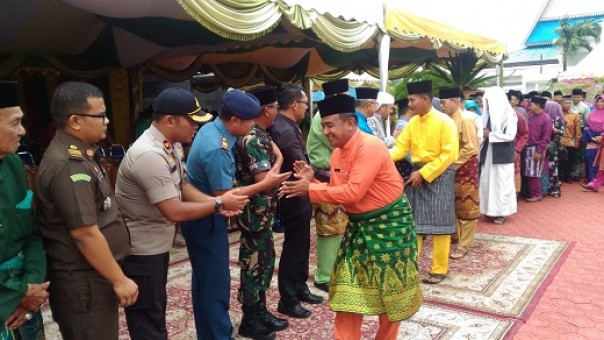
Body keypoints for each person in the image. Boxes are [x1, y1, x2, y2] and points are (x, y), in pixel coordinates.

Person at [280, 94, 422, 340]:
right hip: (358, 227)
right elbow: (338, 192)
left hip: (390, 226)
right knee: (346, 291)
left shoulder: (371, 147)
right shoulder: (337, 154)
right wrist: (311, 180)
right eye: (323, 125)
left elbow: (353, 192)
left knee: (392, 292)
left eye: (329, 125)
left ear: (350, 123)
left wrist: (309, 188)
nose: (324, 131)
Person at [114, 87, 249, 340]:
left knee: (156, 310)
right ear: (169, 120)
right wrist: (219, 204)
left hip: (156, 245)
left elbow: (183, 186)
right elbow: (174, 211)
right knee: (148, 320)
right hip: (142, 250)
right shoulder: (149, 154)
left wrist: (217, 201)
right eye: (192, 121)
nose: (196, 127)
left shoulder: (169, 145)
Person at [182, 89, 290, 339]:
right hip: (206, 217)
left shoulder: (213, 129)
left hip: (202, 211)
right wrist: (265, 183)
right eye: (250, 121)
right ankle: (219, 334)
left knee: (205, 281)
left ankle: (209, 334)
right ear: (234, 121)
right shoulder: (217, 149)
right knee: (215, 284)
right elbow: (225, 200)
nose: (253, 125)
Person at [36, 82, 139, 340]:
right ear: (75, 121)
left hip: (92, 275)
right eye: (100, 115)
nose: (106, 121)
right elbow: (85, 233)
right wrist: (119, 280)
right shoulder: (69, 165)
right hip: (83, 282)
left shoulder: (81, 154)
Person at [234, 85, 290, 339]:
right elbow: (265, 178)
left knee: (265, 262)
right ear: (267, 109)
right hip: (254, 215)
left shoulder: (262, 134)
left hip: (263, 214)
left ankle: (260, 311)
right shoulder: (254, 138)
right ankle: (250, 318)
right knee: (254, 264)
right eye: (277, 108)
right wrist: (279, 161)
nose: (278, 112)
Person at [390, 80, 459, 284]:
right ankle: (411, 266)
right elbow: (400, 149)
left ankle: (439, 270)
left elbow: (449, 154)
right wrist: (378, 157)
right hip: (417, 173)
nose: (409, 104)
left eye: (412, 100)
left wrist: (425, 172)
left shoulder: (445, 122)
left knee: (441, 224)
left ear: (426, 99)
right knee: (415, 222)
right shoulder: (412, 123)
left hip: (441, 173)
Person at [269, 83, 324, 319]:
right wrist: (330, 176)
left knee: (301, 244)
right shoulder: (285, 130)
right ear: (294, 105)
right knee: (294, 247)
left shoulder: (287, 126)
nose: (306, 109)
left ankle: (300, 287)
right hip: (293, 194)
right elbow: (301, 164)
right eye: (304, 104)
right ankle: (288, 299)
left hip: (299, 193)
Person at [0, 81, 48, 340]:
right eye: (14, 122)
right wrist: (16, 295)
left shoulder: (14, 167)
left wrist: (32, 288)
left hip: (24, 303)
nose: (22, 131)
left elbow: (31, 233)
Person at [306, 79, 349, 294]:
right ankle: (324, 276)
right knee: (329, 229)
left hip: (332, 176)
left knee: (336, 228)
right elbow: (341, 145)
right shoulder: (324, 120)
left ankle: (333, 270)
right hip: (323, 176)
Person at [439, 87, 479, 259]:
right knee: (452, 202)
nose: (441, 106)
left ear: (454, 102)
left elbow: (471, 147)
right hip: (451, 167)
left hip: (465, 168)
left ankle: (465, 244)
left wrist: (452, 164)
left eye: (443, 102)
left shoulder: (465, 120)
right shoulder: (447, 120)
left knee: (466, 205)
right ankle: (455, 235)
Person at [479, 87, 518, 224]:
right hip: (488, 153)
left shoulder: (509, 114)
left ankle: (500, 213)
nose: (487, 105)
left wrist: (489, 135)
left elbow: (510, 135)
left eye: (489, 101)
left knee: (501, 183)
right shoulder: (488, 115)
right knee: (487, 182)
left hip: (502, 155)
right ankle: (489, 211)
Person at [525, 96, 552, 203]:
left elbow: (546, 137)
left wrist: (539, 151)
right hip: (528, 146)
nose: (529, 106)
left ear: (538, 105)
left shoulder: (546, 118)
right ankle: (532, 192)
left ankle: (537, 193)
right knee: (529, 172)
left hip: (537, 147)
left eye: (532, 104)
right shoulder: (530, 116)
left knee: (534, 172)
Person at [560, 96, 582, 183]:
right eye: (566, 103)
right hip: (559, 141)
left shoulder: (574, 115)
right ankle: (559, 177)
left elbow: (578, 129)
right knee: (560, 161)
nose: (568, 105)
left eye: (569, 103)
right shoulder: (558, 114)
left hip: (570, 142)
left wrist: (577, 141)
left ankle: (567, 176)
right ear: (561, 104)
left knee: (570, 160)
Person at [545, 101, 564, 198]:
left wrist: (555, 130)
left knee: (553, 168)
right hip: (547, 146)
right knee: (548, 167)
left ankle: (556, 189)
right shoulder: (547, 118)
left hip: (553, 147)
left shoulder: (557, 119)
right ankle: (548, 188)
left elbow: (561, 132)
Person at [584, 95, 604, 182]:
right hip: (592, 140)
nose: (599, 103)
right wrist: (592, 138)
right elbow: (586, 127)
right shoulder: (591, 114)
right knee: (589, 158)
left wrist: (601, 137)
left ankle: (599, 181)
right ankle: (592, 180)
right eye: (598, 101)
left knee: (600, 162)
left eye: (602, 101)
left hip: (602, 142)